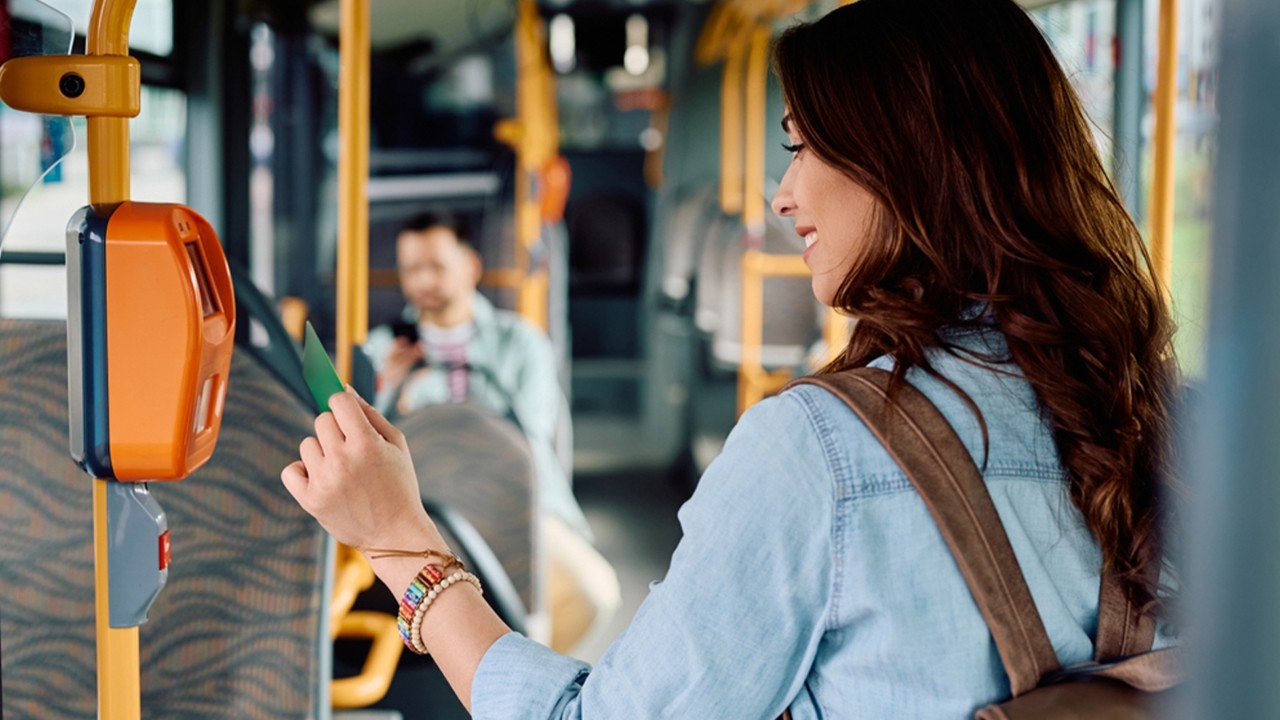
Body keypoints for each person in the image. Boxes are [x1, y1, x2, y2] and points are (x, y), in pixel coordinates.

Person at [281, 0, 1179, 716]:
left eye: (803, 145)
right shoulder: (1172, 416)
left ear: (908, 161)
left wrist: (399, 544)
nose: (783, 194)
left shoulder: (819, 454)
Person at [364, 210, 618, 654]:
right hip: (425, 510)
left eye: (436, 266)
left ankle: (515, 677)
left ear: (470, 266)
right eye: (411, 269)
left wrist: (436, 405)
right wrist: (389, 390)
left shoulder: (521, 343)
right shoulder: (382, 348)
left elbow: (528, 433)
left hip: (515, 502)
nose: (423, 280)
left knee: (595, 594)